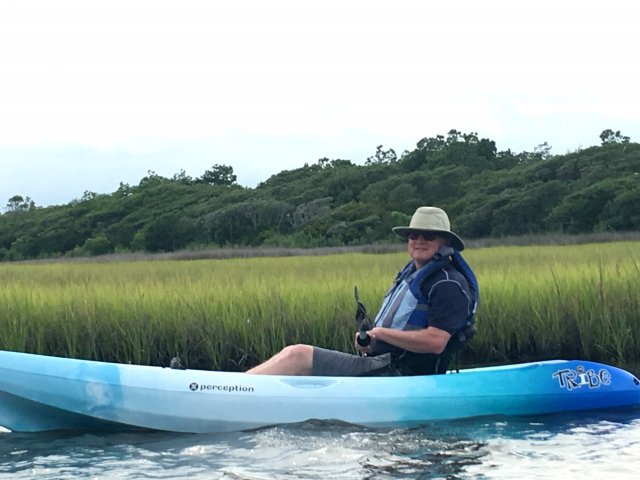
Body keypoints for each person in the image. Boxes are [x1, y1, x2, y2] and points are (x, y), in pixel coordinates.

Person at [246, 206, 478, 376]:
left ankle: (231, 388)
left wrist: (381, 334)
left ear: (444, 242)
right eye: (413, 235)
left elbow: (436, 342)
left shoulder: (448, 284)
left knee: (297, 355)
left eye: (428, 236)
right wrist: (371, 342)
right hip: (384, 365)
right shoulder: (413, 274)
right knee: (293, 355)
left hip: (400, 375)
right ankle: (237, 385)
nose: (419, 241)